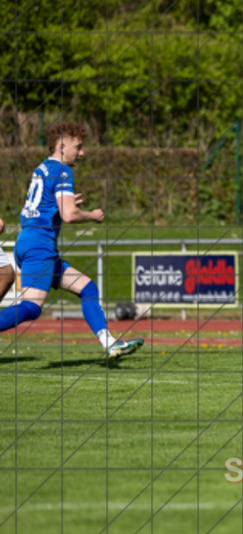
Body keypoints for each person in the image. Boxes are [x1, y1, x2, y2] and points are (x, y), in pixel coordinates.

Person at [0, 123, 143, 359]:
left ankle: (109, 342)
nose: (82, 153)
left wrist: (64, 203)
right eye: (79, 147)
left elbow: (44, 207)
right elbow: (68, 215)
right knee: (31, 308)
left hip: (30, 241)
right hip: (39, 245)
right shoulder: (63, 171)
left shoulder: (43, 168)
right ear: (63, 145)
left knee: (87, 288)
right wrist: (91, 215)